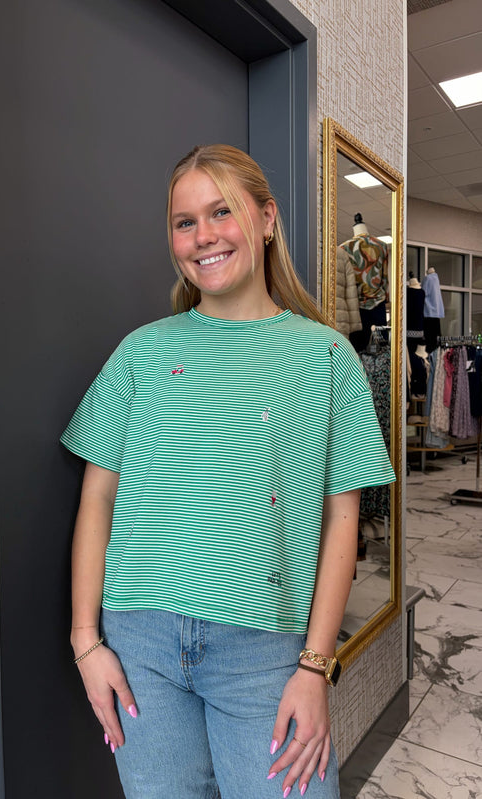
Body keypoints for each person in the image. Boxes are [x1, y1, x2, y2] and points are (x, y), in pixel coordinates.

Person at [61, 144, 395, 799]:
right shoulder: (141, 352)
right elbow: (97, 497)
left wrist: (315, 665)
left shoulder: (326, 358)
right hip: (140, 643)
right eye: (183, 222)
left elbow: (342, 519)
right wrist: (85, 641)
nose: (202, 235)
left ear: (266, 219)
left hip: (266, 649)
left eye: (220, 212)